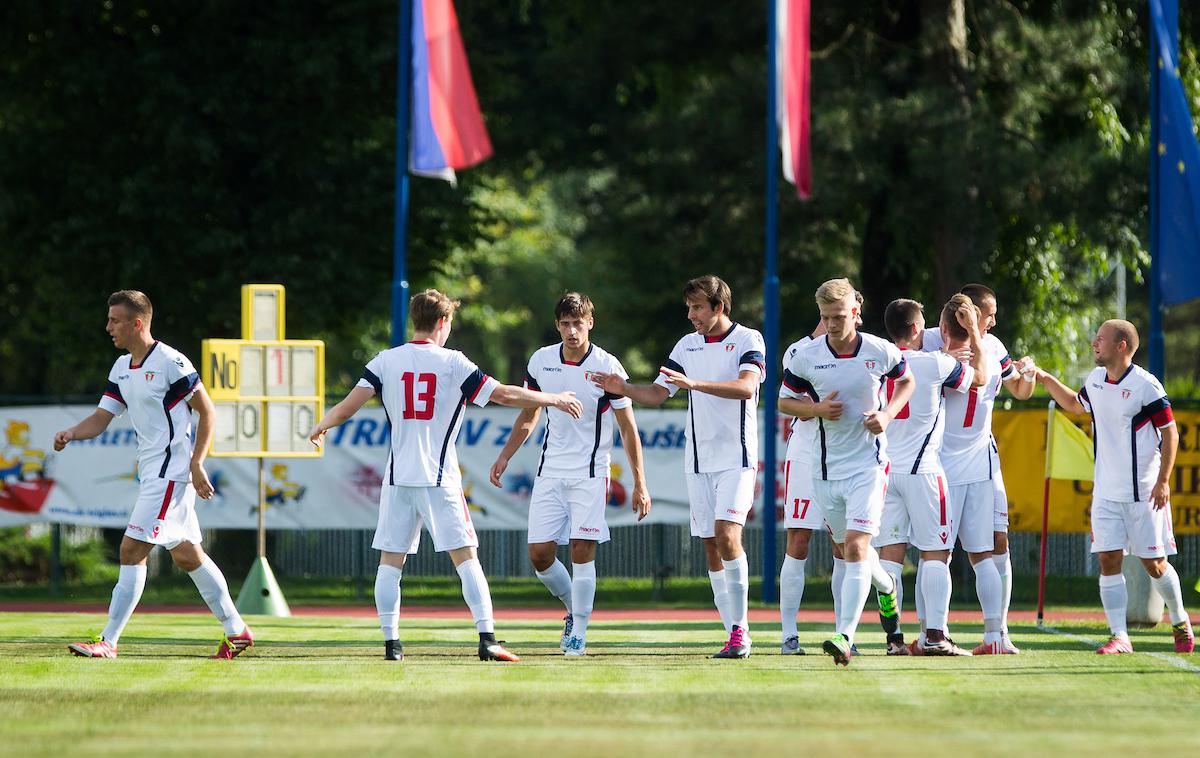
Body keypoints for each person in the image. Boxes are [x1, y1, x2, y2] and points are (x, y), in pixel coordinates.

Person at [308, 289, 584, 662]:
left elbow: (347, 406)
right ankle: (487, 639)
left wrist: (322, 425)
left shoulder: (386, 361)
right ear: (442, 322)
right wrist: (552, 398)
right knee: (466, 558)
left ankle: (392, 645)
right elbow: (502, 395)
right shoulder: (453, 362)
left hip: (397, 477)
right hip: (439, 477)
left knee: (390, 562)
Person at [57, 290, 251, 659]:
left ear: (137, 323)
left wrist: (196, 464)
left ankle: (108, 641)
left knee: (131, 550)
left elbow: (207, 412)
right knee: (187, 556)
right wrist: (71, 432)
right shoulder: (120, 367)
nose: (108, 326)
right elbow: (102, 418)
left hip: (170, 473)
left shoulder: (171, 362)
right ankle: (237, 630)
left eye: (115, 320)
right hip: (153, 473)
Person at [592, 275, 764, 659]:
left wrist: (694, 384)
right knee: (711, 546)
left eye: (697, 307)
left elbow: (747, 388)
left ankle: (741, 631)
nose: (691, 315)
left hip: (736, 459)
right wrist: (622, 387)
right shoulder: (686, 345)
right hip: (698, 462)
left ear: (719, 307)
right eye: (689, 307)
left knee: (727, 535)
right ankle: (731, 633)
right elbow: (656, 393)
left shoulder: (748, 339)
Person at [490, 292, 651, 657]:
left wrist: (640, 482)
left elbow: (627, 428)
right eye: (565, 324)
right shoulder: (542, 360)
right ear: (557, 326)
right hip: (550, 472)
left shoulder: (608, 366)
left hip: (591, 474)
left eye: (578, 323)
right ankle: (572, 610)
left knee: (581, 550)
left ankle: (578, 631)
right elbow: (529, 415)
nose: (572, 331)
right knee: (540, 555)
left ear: (590, 323)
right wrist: (505, 456)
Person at [1035, 320, 1194, 654]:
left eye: (1101, 338)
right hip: (1105, 493)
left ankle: (1180, 620)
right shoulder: (1094, 379)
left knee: (1154, 564)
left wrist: (1164, 480)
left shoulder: (1146, 386)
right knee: (1108, 560)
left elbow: (1171, 432)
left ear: (1121, 346)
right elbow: (1077, 405)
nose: (1095, 343)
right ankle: (1120, 636)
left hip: (1144, 493)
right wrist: (1046, 378)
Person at [781, 278, 912, 665]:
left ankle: (844, 636)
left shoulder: (879, 350)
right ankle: (886, 586)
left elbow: (906, 379)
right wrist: (817, 409)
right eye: (825, 317)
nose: (832, 324)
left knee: (854, 546)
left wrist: (887, 414)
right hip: (824, 470)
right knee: (846, 548)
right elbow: (785, 403)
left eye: (838, 316)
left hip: (868, 466)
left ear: (855, 312)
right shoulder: (806, 356)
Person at [921, 284, 1034, 653]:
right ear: (967, 313)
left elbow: (1019, 389)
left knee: (973, 550)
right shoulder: (932, 342)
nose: (994, 320)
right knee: (953, 553)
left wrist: (1027, 373)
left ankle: (991, 634)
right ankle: (942, 632)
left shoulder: (992, 346)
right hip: (943, 462)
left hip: (968, 463)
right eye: (989, 314)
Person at [874, 297, 986, 656]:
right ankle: (935, 635)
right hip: (923, 471)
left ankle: (893, 640)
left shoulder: (876, 360)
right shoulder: (935, 363)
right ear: (917, 328)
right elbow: (980, 378)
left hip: (885, 471)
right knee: (936, 554)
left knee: (889, 559)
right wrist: (971, 334)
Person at [775, 321, 825, 655]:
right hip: (806, 454)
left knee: (845, 544)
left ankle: (843, 633)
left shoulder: (866, 350)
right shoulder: (799, 350)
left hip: (846, 456)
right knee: (799, 539)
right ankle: (789, 634)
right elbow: (799, 407)